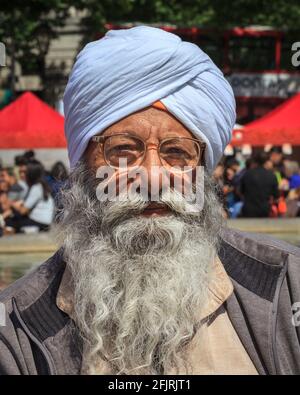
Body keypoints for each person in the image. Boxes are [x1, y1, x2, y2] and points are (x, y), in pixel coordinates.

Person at [0, 26, 299, 375]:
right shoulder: (16, 327)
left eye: (177, 152)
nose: (153, 178)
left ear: (202, 169)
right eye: (122, 150)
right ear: (82, 165)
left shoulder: (288, 284)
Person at [6, 161, 54, 232]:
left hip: (39, 222)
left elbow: (23, 211)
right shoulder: (40, 186)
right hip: (43, 221)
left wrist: (11, 203)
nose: (23, 175)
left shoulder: (36, 188)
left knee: (9, 222)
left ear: (31, 174)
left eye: (25, 172)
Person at [240, 153, 279, 218]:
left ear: (255, 162)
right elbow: (276, 195)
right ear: (266, 162)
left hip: (249, 209)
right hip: (264, 210)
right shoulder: (271, 175)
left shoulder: (247, 174)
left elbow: (242, 191)